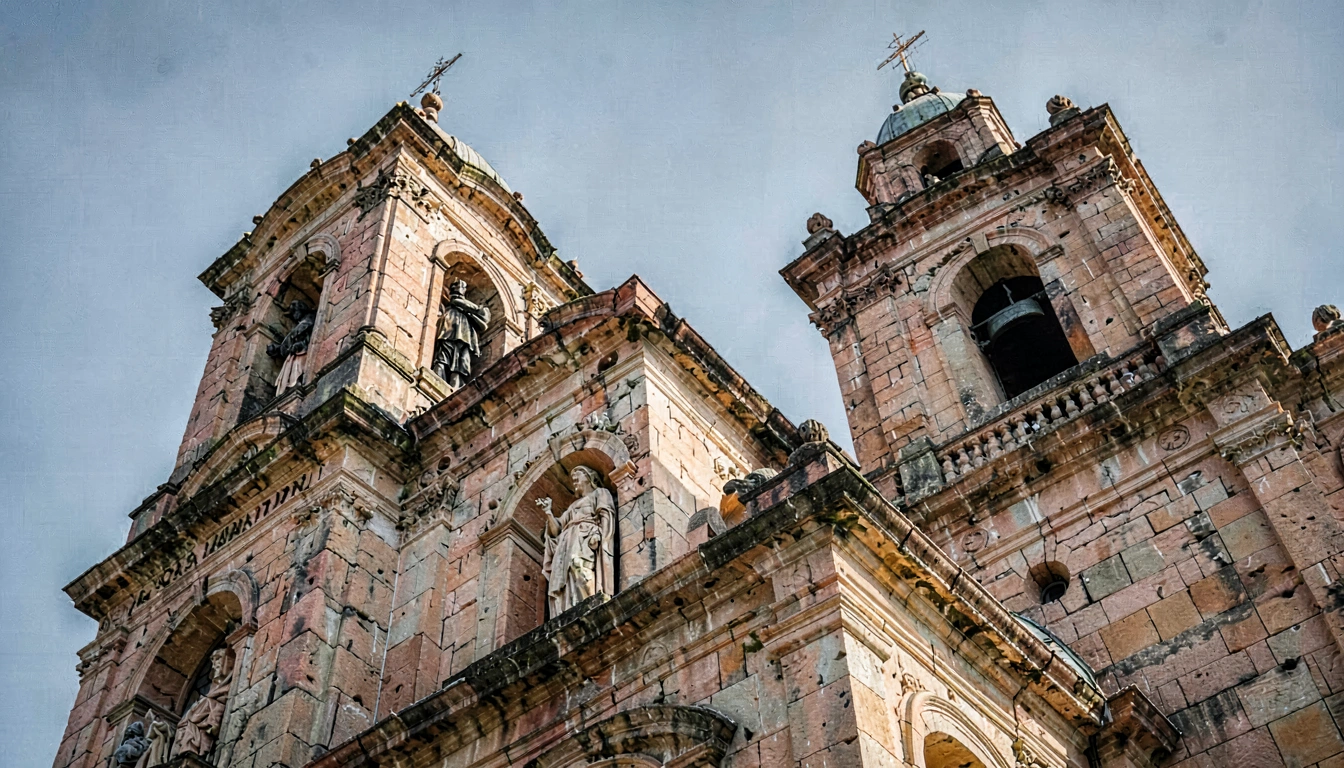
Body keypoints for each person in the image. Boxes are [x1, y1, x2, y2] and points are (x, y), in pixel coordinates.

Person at [536, 466, 615, 615]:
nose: (574, 479)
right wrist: (548, 512)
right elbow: (556, 530)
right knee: (562, 577)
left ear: (589, 476)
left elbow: (606, 515)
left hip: (585, 536)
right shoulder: (572, 506)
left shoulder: (600, 493)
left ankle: (591, 602)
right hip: (566, 541)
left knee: (578, 565)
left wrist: (601, 535)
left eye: (577, 474)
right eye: (572, 477)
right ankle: (566, 610)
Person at [173, 648, 232, 758]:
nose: (214, 665)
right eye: (213, 661)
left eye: (218, 659)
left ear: (228, 660)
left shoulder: (229, 686)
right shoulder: (212, 689)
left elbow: (218, 702)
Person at [432, 280, 490, 388]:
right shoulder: (457, 302)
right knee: (445, 356)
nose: (462, 289)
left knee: (460, 362)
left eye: (463, 287)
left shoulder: (463, 309)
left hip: (463, 335)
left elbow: (484, 321)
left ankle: (455, 386)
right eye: (460, 286)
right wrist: (478, 310)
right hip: (451, 329)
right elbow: (480, 314)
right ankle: (438, 380)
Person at [266, 299, 315, 394]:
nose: (294, 315)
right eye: (293, 313)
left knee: (297, 368)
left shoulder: (309, 318)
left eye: (295, 312)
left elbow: (302, 330)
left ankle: (295, 383)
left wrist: (287, 344)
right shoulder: (301, 323)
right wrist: (279, 348)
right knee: (289, 369)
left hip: (303, 351)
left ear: (301, 309)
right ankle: (288, 387)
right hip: (295, 353)